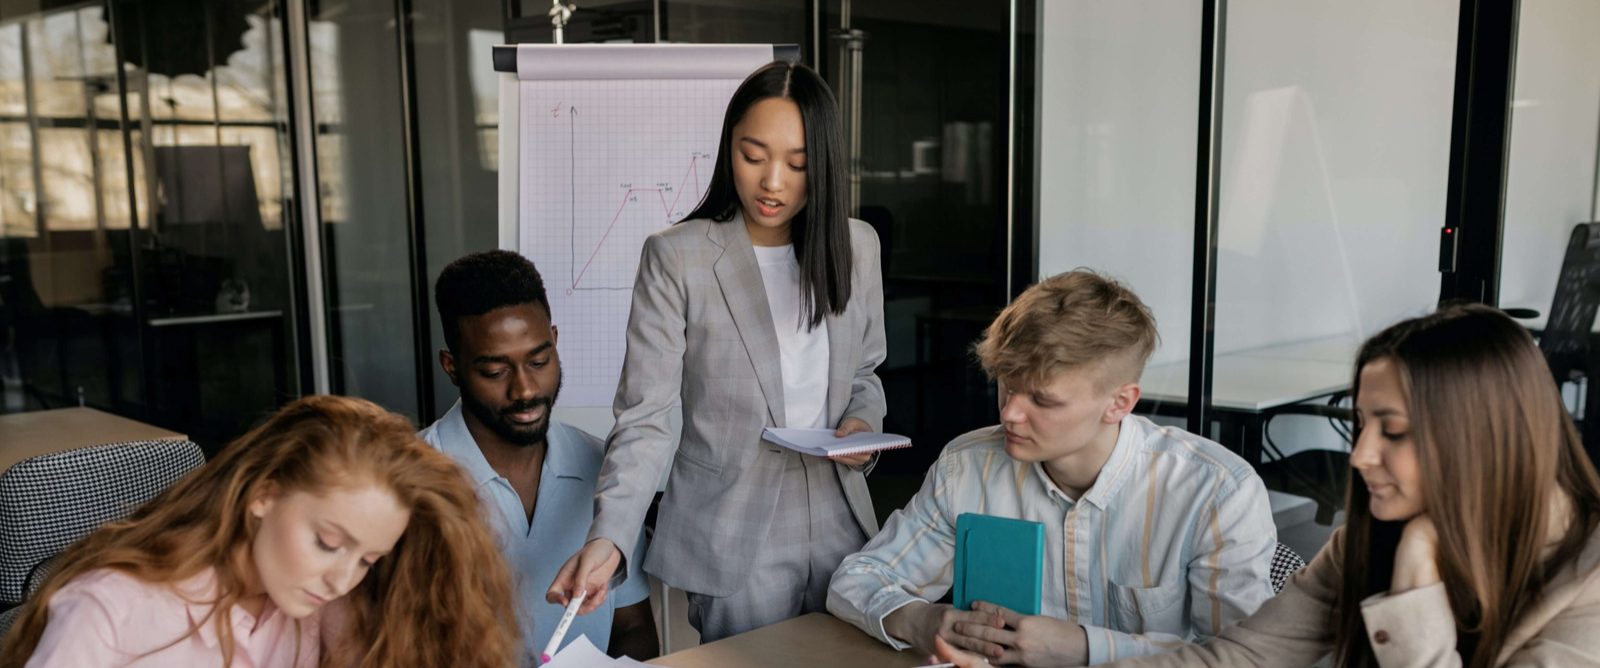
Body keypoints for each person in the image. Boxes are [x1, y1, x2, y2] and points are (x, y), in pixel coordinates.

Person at [934, 304, 1600, 668]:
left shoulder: (1589, 584)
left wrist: (1419, 584)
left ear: (1481, 434)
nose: (1360, 456)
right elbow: (1240, 657)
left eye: (1392, 432)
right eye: (1361, 425)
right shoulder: (1365, 540)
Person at [547, 59, 889, 643]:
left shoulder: (856, 246)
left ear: (824, 166)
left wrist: (862, 423)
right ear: (728, 147)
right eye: (753, 156)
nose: (773, 182)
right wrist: (609, 538)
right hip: (732, 528)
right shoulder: (677, 256)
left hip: (839, 515)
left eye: (798, 164)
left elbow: (864, 370)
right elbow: (645, 418)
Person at [829, 270, 1278, 666]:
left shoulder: (1216, 492)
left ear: (1119, 403)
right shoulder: (968, 467)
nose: (1009, 414)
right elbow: (856, 580)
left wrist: (1085, 649)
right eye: (1007, 385)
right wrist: (923, 618)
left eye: (1042, 399)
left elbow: (1245, 658)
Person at [0, 395, 519, 668]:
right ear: (263, 495)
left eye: (366, 560)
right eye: (329, 543)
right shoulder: (111, 608)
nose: (342, 578)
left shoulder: (310, 608)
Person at [421, 249, 658, 661]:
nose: (526, 390)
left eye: (539, 360)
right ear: (452, 367)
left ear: (555, 340)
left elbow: (633, 627)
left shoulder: (607, 471)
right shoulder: (407, 482)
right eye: (495, 372)